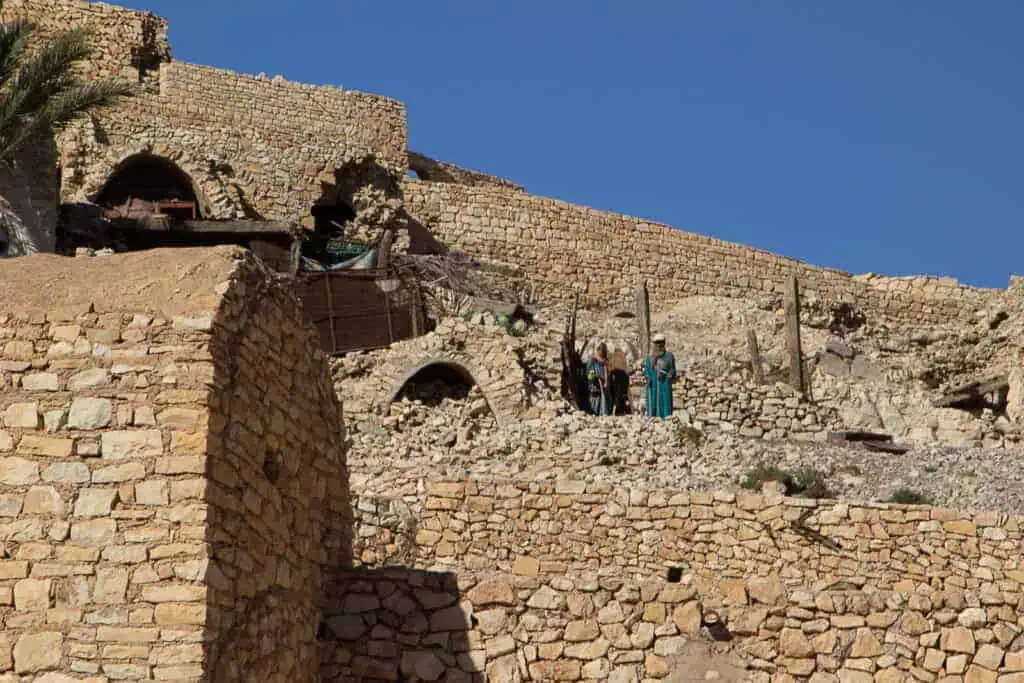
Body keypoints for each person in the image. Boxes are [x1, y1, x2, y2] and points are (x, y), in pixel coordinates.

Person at [642, 333, 677, 419]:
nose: (658, 346)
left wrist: (669, 374)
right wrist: (648, 377)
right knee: (653, 404)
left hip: (664, 384)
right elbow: (646, 371)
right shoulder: (649, 358)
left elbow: (673, 370)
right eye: (657, 344)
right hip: (653, 385)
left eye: (661, 344)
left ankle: (666, 419)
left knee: (665, 403)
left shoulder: (669, 356)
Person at [586, 342, 612, 416]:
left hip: (604, 384)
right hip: (595, 384)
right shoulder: (592, 360)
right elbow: (589, 375)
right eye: (601, 350)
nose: (602, 352)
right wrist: (597, 377)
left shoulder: (605, 361)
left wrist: (606, 380)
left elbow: (607, 371)